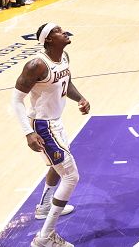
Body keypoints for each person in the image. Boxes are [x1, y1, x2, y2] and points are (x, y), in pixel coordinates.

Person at [12, 23, 90, 247]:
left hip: (56, 122)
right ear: (48, 40)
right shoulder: (36, 65)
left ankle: (45, 206)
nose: (64, 32)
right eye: (58, 31)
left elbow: (66, 83)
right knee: (71, 176)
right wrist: (28, 133)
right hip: (43, 126)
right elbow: (16, 100)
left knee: (57, 166)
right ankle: (44, 237)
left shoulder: (64, 56)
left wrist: (81, 99)